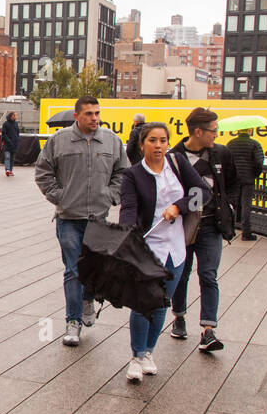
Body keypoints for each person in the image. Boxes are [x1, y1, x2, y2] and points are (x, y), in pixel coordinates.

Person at [34, 96, 130, 347]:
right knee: (73, 270)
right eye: (89, 114)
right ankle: (72, 322)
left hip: (98, 218)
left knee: (95, 269)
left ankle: (89, 299)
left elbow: (123, 172)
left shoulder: (111, 140)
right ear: (77, 116)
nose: (95, 118)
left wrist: (110, 195)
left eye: (97, 113)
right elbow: (43, 172)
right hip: (68, 219)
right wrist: (60, 197)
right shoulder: (60, 141)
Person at [118, 122, 210, 381]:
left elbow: (203, 193)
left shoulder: (178, 163)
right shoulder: (133, 175)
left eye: (163, 141)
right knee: (142, 303)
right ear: (142, 143)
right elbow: (129, 209)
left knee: (160, 304)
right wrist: (129, 236)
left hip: (177, 248)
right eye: (152, 141)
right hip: (149, 247)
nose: (158, 146)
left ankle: (148, 352)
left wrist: (179, 207)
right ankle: (136, 357)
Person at [168, 107, 236, 353]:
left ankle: (208, 330)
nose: (216, 135)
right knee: (181, 275)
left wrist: (228, 208)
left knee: (208, 275)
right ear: (198, 131)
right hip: (183, 225)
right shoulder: (174, 157)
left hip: (211, 225)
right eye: (213, 131)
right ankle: (179, 317)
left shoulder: (221, 154)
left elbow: (232, 183)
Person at [225, 128, 264, 240]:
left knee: (231, 203)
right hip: (248, 179)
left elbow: (226, 161)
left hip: (233, 179)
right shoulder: (255, 144)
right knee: (246, 205)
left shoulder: (231, 144)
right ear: (250, 131)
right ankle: (246, 233)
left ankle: (228, 229)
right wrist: (253, 174)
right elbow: (259, 163)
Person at [1, 111, 20, 176]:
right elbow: (3, 134)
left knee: (12, 158)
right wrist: (8, 141)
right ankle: (7, 170)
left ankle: (10, 170)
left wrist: (17, 140)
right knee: (7, 157)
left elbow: (17, 133)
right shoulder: (5, 124)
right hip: (7, 144)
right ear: (12, 116)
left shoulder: (16, 124)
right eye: (15, 115)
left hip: (14, 144)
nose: (16, 117)